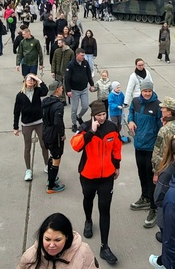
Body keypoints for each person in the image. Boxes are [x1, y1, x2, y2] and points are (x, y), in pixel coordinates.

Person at [71, 100, 122, 265]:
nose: (102, 118)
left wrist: (117, 166)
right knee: (88, 200)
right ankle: (88, 220)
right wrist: (90, 132)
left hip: (106, 176)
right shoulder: (85, 127)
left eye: (104, 114)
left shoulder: (111, 128)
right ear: (93, 115)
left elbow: (116, 147)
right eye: (99, 115)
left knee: (105, 209)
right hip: (88, 175)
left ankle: (104, 246)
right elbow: (75, 146)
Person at [145, 97, 175, 228]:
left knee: (163, 198)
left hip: (166, 169)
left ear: (169, 112)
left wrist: (156, 172)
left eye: (163, 108)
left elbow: (158, 153)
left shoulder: (164, 130)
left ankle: (164, 225)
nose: (161, 109)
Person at [127, 80, 163, 221]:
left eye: (149, 91)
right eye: (145, 91)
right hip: (139, 146)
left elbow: (161, 127)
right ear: (141, 91)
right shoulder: (136, 102)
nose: (147, 93)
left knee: (152, 177)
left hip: (151, 148)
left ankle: (154, 208)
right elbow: (130, 112)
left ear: (152, 91)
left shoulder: (158, 106)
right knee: (141, 173)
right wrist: (130, 121)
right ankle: (145, 197)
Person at [16, 212, 97, 269]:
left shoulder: (83, 253)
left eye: (57, 240)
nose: (51, 245)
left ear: (67, 237)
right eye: (47, 239)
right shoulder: (31, 256)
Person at [14, 75, 50, 182]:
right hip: (27, 124)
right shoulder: (20, 95)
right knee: (27, 147)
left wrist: (39, 79)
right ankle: (28, 170)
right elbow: (16, 112)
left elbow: (45, 91)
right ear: (24, 81)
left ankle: (47, 165)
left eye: (32, 80)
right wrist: (15, 127)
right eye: (28, 79)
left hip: (39, 122)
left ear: (35, 83)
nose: (30, 81)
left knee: (44, 144)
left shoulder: (38, 91)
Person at [41, 80, 67, 194]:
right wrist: (62, 134)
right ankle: (51, 186)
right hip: (54, 135)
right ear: (57, 90)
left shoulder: (45, 102)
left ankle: (51, 178)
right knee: (57, 157)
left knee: (52, 154)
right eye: (61, 88)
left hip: (45, 131)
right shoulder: (58, 105)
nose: (62, 89)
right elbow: (58, 122)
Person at [65, 49, 96, 133]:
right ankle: (74, 123)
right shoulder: (71, 64)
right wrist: (68, 90)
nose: (83, 57)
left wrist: (92, 85)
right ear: (77, 55)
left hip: (84, 89)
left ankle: (79, 116)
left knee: (85, 106)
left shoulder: (85, 63)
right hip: (74, 90)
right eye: (82, 55)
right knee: (74, 108)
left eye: (84, 55)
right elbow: (67, 78)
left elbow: (89, 74)